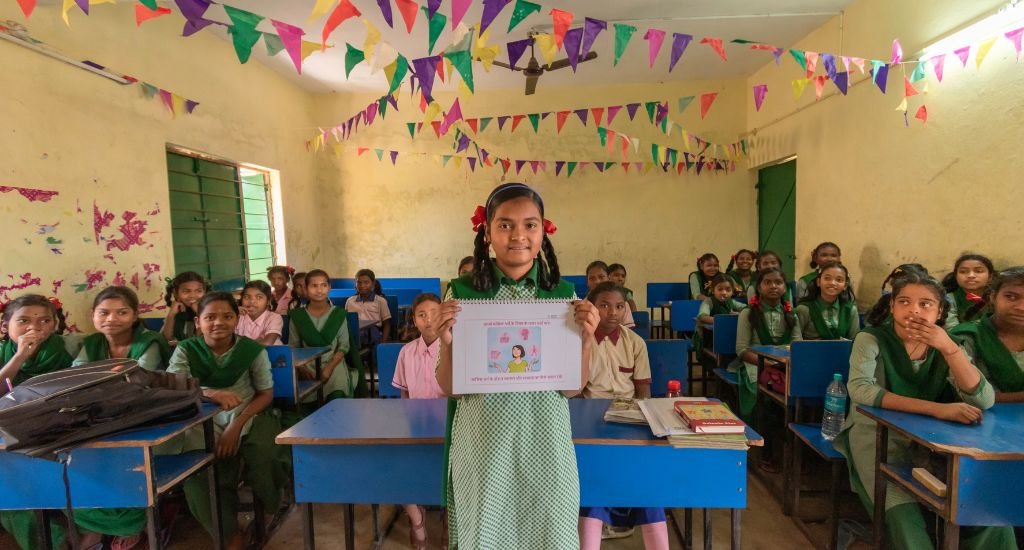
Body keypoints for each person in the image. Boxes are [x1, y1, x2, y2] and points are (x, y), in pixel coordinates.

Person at [434, 183, 599, 548]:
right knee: (488, 535)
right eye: (505, 225)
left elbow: (571, 388)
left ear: (544, 231)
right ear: (487, 232)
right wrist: (447, 344)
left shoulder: (562, 296)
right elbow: (451, 389)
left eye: (530, 225)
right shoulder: (462, 294)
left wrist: (587, 340)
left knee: (550, 534)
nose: (518, 236)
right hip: (483, 445)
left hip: (546, 441)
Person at [835, 270, 1015, 550]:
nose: (914, 310)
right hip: (874, 435)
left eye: (926, 304)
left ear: (940, 311)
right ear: (892, 306)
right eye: (904, 302)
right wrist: (937, 409)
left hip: (932, 439)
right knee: (903, 515)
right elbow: (861, 390)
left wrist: (949, 349)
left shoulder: (946, 344)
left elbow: (984, 399)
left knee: (988, 511)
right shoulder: (870, 339)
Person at [168, 292, 284, 550]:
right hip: (199, 416)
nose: (218, 322)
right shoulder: (186, 349)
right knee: (198, 472)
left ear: (237, 319)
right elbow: (176, 387)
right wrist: (210, 393)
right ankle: (228, 533)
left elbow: (266, 394)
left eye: (227, 316)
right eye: (210, 317)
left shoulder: (251, 350)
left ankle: (270, 506)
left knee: (264, 456)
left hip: (248, 412)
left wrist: (236, 424)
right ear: (198, 322)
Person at [951, 267, 1024, 402]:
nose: (1021, 307)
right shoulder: (966, 337)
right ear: (992, 297)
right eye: (1011, 297)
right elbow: (968, 395)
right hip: (984, 419)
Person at [794, 262, 859, 340]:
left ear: (845, 285)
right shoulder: (804, 309)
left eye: (839, 280)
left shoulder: (850, 309)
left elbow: (855, 341)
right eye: (827, 278)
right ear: (818, 282)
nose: (832, 283)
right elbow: (795, 342)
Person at [941, 253, 995, 328]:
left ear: (990, 277)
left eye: (978, 271)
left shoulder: (998, 298)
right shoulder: (948, 299)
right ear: (956, 276)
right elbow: (952, 330)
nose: (971, 275)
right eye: (963, 271)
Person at [161, 271, 209, 344]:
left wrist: (199, 313)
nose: (193, 295)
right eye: (186, 291)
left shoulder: (212, 311)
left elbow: (204, 340)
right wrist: (171, 315)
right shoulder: (178, 313)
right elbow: (166, 339)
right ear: (176, 294)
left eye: (198, 291)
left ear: (204, 292)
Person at [236, 280, 284, 346]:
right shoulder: (238, 317)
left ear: (268, 301)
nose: (252, 301)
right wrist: (232, 313)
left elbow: (267, 343)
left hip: (271, 354)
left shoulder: (274, 317)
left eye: (259, 297)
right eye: (247, 297)